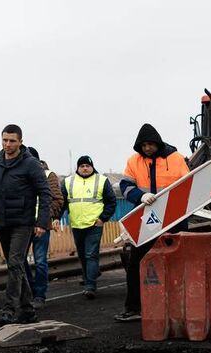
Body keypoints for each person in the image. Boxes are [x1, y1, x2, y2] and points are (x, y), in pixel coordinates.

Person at [0, 124, 52, 325]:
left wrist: (42, 222)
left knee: (15, 263)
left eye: (12, 141)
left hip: (23, 223)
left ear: (20, 142)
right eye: (5, 140)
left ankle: (9, 309)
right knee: (15, 265)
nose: (7, 144)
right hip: (2, 222)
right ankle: (28, 309)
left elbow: (45, 193)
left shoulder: (30, 164)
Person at [116, 123, 190, 322]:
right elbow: (125, 186)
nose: (147, 148)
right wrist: (140, 196)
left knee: (178, 263)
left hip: (175, 219)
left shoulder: (176, 158)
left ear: (158, 142)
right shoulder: (134, 161)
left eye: (150, 144)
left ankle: (180, 307)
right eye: (143, 145)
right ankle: (134, 308)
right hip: (146, 219)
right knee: (136, 263)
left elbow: (187, 186)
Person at [61, 155, 116, 299]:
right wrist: (56, 218)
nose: (85, 168)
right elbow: (62, 202)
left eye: (87, 166)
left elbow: (111, 202)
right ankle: (89, 276)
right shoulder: (68, 181)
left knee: (90, 254)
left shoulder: (101, 180)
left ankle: (90, 286)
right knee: (82, 254)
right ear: (77, 168)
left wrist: (102, 218)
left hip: (94, 224)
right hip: (76, 224)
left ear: (92, 167)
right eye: (82, 166)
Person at [23, 147, 64, 307]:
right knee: (19, 260)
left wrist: (45, 216)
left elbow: (57, 199)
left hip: (41, 225)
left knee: (40, 261)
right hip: (23, 225)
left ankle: (39, 295)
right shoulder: (20, 174)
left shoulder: (48, 175)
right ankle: (30, 290)